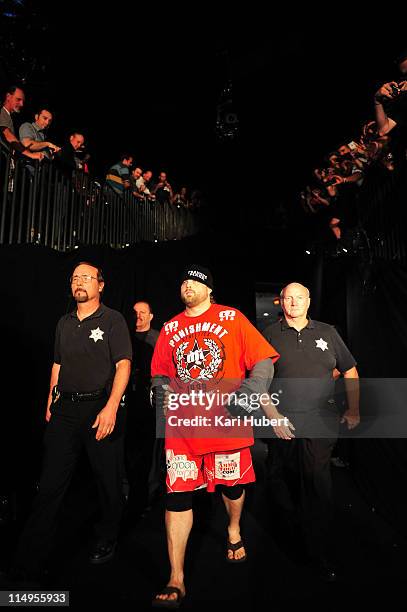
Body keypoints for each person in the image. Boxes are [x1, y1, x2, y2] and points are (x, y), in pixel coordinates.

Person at [150, 264, 282, 607]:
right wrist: (160, 392)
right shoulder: (170, 328)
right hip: (183, 429)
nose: (188, 285)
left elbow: (264, 359)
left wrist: (251, 389)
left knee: (232, 486)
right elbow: (160, 372)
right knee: (177, 496)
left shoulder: (232, 318)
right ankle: (176, 578)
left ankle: (234, 529)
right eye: (184, 280)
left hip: (226, 424)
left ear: (209, 289)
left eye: (195, 281)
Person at [14, 261, 132, 577]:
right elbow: (57, 364)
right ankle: (27, 562)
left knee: (107, 482)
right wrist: (51, 400)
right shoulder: (64, 323)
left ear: (101, 285)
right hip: (64, 412)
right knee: (49, 486)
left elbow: (123, 365)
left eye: (86, 277)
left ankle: (108, 536)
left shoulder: (113, 320)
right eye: (75, 278)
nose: (79, 282)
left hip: (99, 410)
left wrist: (111, 408)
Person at [262, 282, 359, 581]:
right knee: (281, 480)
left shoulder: (328, 333)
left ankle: (316, 551)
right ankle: (291, 536)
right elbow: (258, 381)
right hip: (283, 422)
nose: (293, 303)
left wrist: (353, 408)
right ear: (281, 302)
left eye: (298, 298)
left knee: (317, 484)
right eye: (288, 298)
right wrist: (273, 416)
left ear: (308, 302)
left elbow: (350, 370)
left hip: (320, 421)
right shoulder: (268, 335)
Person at [124, 301, 160, 519]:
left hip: (151, 402)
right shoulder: (125, 336)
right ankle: (128, 492)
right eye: (135, 312)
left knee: (152, 451)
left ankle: (150, 493)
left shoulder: (158, 339)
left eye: (143, 313)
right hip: (129, 401)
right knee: (128, 448)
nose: (138, 316)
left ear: (151, 315)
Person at [0, 85, 44, 161]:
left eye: (23, 101)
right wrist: (30, 154)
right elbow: (8, 135)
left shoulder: (9, 117)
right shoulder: (2, 111)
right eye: (18, 99)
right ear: (8, 96)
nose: (22, 104)